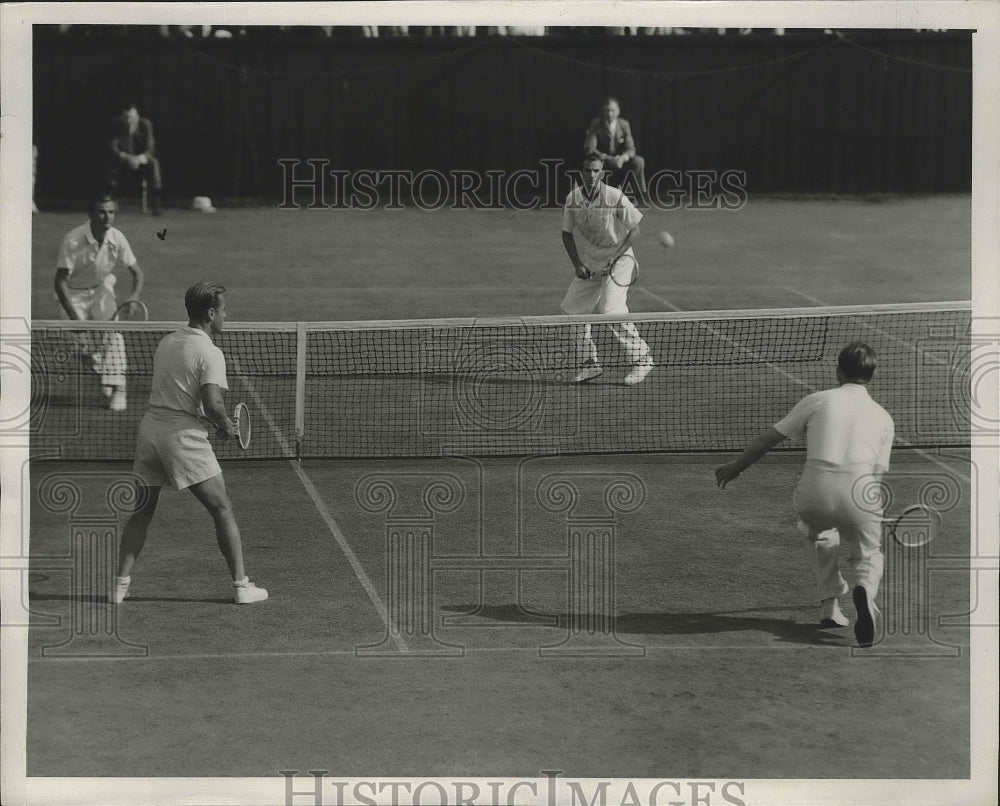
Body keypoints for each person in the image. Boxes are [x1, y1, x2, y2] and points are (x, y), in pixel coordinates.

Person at [714, 342, 895, 648]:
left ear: (838, 370)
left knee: (816, 530)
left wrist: (736, 467)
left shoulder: (818, 399)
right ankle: (863, 586)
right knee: (869, 552)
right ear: (872, 375)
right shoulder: (884, 417)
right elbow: (875, 480)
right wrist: (870, 515)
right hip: (860, 490)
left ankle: (830, 606)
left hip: (815, 490)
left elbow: (766, 441)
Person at [113, 282, 268, 605]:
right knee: (222, 508)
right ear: (211, 313)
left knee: (141, 513)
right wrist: (224, 425)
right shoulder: (210, 352)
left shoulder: (167, 342)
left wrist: (216, 420)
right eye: (224, 310)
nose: (227, 315)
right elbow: (212, 404)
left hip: (149, 432)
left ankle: (119, 587)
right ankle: (242, 587)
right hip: (181, 437)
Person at [560, 152, 654, 386]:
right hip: (592, 260)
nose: (591, 175)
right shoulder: (572, 199)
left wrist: (615, 256)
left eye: (595, 170)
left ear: (601, 172)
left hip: (620, 259)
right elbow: (566, 233)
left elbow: (635, 230)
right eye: (587, 170)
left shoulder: (614, 196)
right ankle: (589, 363)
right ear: (581, 172)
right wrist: (577, 265)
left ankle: (642, 358)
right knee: (571, 309)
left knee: (610, 310)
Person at [54, 194, 144, 411]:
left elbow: (137, 273)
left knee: (113, 333)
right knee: (82, 350)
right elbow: (60, 283)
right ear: (91, 214)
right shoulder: (73, 240)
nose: (107, 217)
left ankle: (118, 389)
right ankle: (102, 370)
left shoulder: (117, 238)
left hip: (101, 290)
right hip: (72, 295)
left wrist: (133, 297)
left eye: (111, 212)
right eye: (102, 212)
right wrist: (75, 318)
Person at [583, 97, 649, 204]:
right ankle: (596, 195)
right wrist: (608, 158)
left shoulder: (624, 124)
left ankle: (630, 196)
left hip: (619, 162)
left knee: (638, 161)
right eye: (607, 110)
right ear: (603, 112)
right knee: (592, 163)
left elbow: (631, 149)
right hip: (602, 161)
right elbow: (590, 148)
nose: (609, 113)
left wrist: (622, 158)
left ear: (618, 112)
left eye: (612, 110)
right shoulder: (596, 124)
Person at [107, 104, 163, 215]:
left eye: (131, 117)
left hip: (140, 160)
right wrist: (126, 157)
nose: (129, 120)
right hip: (123, 160)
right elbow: (112, 147)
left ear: (137, 116)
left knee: (154, 163)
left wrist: (139, 159)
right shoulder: (116, 125)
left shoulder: (145, 125)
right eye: (126, 117)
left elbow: (150, 147)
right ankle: (109, 202)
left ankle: (156, 205)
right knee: (110, 163)